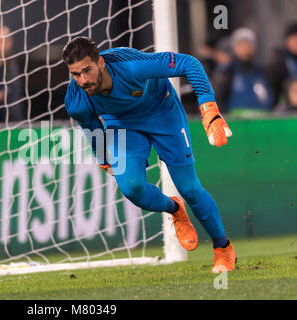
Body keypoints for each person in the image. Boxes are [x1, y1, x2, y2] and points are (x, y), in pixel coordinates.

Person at [63, 37, 236, 273]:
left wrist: (209, 109)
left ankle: (223, 248)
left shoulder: (132, 66)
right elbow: (90, 123)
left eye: (87, 70)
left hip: (163, 113)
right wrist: (102, 154)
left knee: (190, 188)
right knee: (132, 188)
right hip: (123, 125)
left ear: (100, 63)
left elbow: (189, 63)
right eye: (75, 74)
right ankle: (174, 209)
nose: (83, 80)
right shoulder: (76, 101)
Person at [212, 28, 274, 118]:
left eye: (248, 45)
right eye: (241, 45)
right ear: (234, 48)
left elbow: (271, 94)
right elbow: (219, 97)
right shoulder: (227, 71)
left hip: (262, 120)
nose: (245, 49)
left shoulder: (261, 70)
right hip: (236, 122)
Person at [267, 22, 297, 107]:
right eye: (293, 38)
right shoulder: (278, 61)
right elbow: (273, 88)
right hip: (285, 106)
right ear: (286, 41)